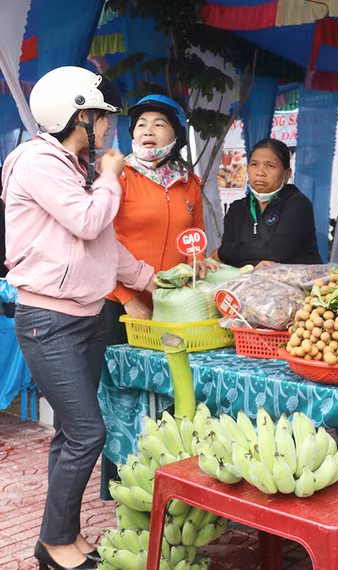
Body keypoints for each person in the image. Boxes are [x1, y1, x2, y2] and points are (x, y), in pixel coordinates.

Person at [2, 66, 156, 570]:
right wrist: (112, 177)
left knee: (73, 431)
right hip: (49, 320)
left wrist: (157, 279)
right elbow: (90, 222)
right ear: (78, 115)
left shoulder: (75, 166)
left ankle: (59, 534)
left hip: (85, 317)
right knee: (89, 431)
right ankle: (53, 542)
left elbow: (106, 247)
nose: (111, 127)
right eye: (103, 117)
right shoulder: (37, 162)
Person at [105, 95, 215, 325]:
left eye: (159, 124)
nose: (148, 131)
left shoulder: (189, 182)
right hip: (118, 304)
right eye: (141, 124)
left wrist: (197, 258)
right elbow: (101, 243)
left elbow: (195, 229)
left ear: (177, 134)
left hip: (173, 302)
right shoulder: (118, 176)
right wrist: (127, 299)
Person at [213, 138, 321, 267]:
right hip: (250, 284)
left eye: (270, 166)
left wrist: (224, 252)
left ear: (287, 174)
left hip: (300, 283)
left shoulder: (298, 204)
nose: (260, 172)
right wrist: (252, 264)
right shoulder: (236, 209)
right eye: (254, 164)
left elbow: (275, 252)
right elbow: (230, 262)